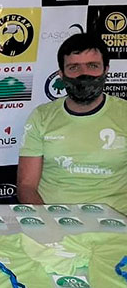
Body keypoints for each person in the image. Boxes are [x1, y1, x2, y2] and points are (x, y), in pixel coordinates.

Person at [18, 33, 127, 214]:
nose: (83, 74)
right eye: (74, 67)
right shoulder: (42, 116)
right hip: (54, 219)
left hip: (116, 223)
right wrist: (48, 222)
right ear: (61, 74)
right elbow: (26, 186)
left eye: (92, 66)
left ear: (106, 70)